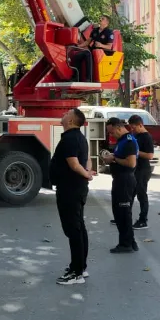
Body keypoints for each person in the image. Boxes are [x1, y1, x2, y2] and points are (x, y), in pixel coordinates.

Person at [49, 108, 94, 285]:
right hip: (76, 187)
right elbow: (87, 158)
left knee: (73, 229)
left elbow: (74, 164)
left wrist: (86, 174)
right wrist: (88, 171)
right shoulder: (80, 137)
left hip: (70, 188)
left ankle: (77, 273)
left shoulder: (69, 138)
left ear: (71, 121)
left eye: (67, 114)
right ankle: (80, 266)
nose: (63, 115)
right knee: (78, 227)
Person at [101, 117, 139, 253]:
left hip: (125, 181)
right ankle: (130, 241)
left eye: (112, 132)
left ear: (118, 128)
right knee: (120, 212)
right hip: (120, 180)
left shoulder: (128, 141)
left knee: (122, 213)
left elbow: (131, 163)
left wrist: (113, 158)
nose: (111, 135)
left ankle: (126, 244)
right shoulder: (122, 141)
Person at [127, 115, 154, 230]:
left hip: (143, 169)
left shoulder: (146, 137)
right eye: (131, 128)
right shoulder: (135, 135)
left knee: (141, 194)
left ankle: (143, 220)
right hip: (135, 168)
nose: (132, 130)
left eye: (134, 128)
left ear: (140, 125)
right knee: (130, 194)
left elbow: (150, 155)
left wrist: (135, 152)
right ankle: (126, 216)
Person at [71, 15, 115, 82]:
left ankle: (89, 78)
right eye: (100, 18)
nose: (100, 19)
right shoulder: (95, 30)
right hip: (94, 51)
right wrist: (77, 46)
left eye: (102, 19)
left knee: (88, 54)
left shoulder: (109, 32)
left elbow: (109, 46)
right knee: (77, 55)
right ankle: (76, 77)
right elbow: (88, 42)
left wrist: (101, 45)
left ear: (107, 22)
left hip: (103, 53)